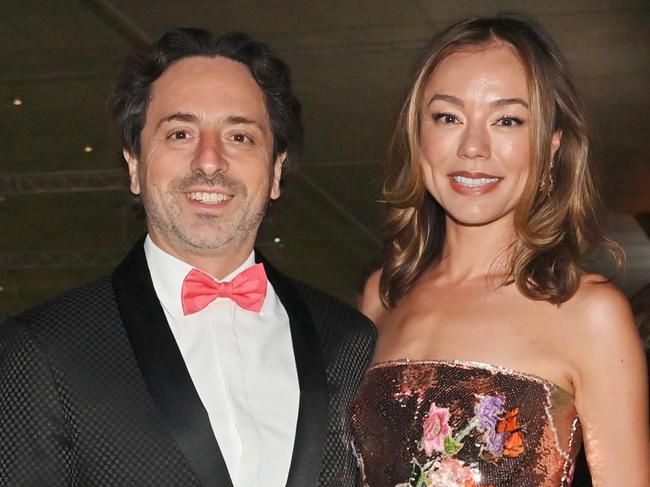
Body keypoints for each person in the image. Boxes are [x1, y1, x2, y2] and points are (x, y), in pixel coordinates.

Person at [0, 28, 375, 487]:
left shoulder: (349, 340)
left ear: (276, 171)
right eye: (180, 133)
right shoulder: (42, 349)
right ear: (135, 165)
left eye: (239, 136)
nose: (210, 161)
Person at [351, 13, 649, 487]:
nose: (473, 146)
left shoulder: (589, 313)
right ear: (418, 136)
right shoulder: (382, 295)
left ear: (551, 147)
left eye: (507, 120)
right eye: (448, 117)